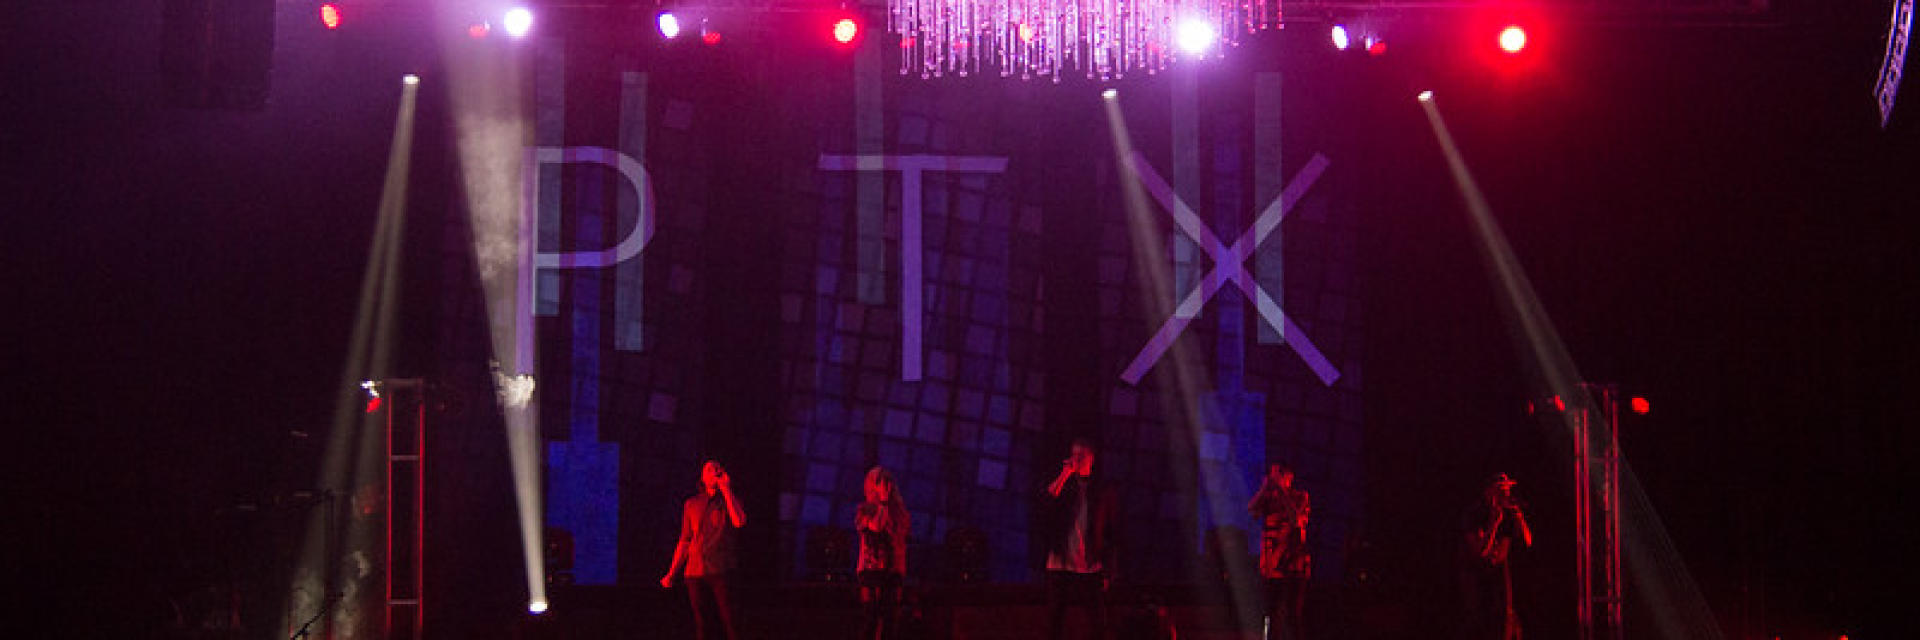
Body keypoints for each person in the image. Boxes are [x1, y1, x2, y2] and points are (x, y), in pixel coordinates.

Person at [662, 460, 748, 640]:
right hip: (695, 570)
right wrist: (671, 573)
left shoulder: (730, 500)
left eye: (717, 469)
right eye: (709, 469)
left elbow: (739, 522)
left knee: (729, 620)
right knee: (702, 623)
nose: (713, 471)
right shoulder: (691, 504)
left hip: (721, 569)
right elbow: (685, 540)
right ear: (702, 476)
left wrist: (726, 489)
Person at [1043, 438, 1116, 640]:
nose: (1076, 459)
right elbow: (1046, 506)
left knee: (1097, 621)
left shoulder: (1101, 489)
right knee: (1055, 619)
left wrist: (1109, 569)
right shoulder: (1065, 485)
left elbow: (1111, 530)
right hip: (1060, 563)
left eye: (1081, 455)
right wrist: (1065, 474)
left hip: (1089, 563)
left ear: (1091, 459)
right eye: (1074, 454)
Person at [1460, 472, 1532, 640]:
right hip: (1477, 584)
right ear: (1489, 491)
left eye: (1508, 488)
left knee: (1506, 625)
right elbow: (1481, 551)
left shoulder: (1507, 515)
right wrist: (1494, 522)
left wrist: (1519, 516)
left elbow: (1527, 541)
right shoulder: (1474, 514)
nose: (1507, 493)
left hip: (1501, 586)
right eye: (1502, 489)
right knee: (1480, 626)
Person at [1248, 463, 1310, 640]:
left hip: (1294, 565)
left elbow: (1296, 520)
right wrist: (1263, 489)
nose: (1276, 478)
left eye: (1279, 474)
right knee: (1269, 612)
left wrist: (1281, 490)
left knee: (1293, 614)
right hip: (1271, 567)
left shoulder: (1300, 496)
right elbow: (1252, 512)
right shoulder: (1268, 499)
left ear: (1289, 476)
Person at [855, 466, 910, 640]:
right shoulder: (864, 510)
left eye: (887, 482)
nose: (885, 486)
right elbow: (877, 527)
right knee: (871, 619)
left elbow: (900, 542)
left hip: (892, 572)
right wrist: (883, 503)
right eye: (880, 482)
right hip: (871, 572)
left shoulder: (899, 513)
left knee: (890, 621)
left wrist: (900, 572)